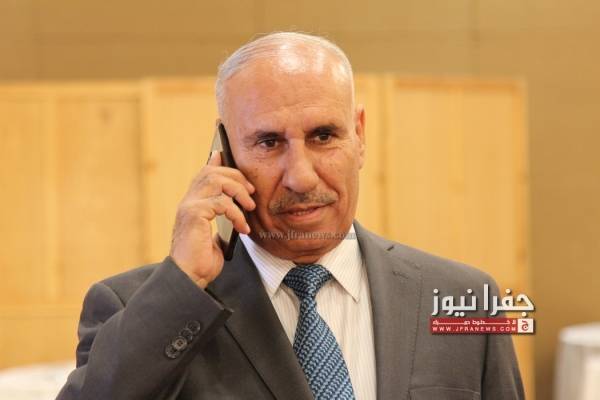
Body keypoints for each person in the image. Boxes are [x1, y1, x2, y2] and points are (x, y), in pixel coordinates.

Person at [57, 32, 524, 400]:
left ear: (359, 135)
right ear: (224, 151)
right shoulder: (142, 307)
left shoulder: (466, 300)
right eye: (268, 142)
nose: (300, 176)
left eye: (323, 136)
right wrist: (183, 283)